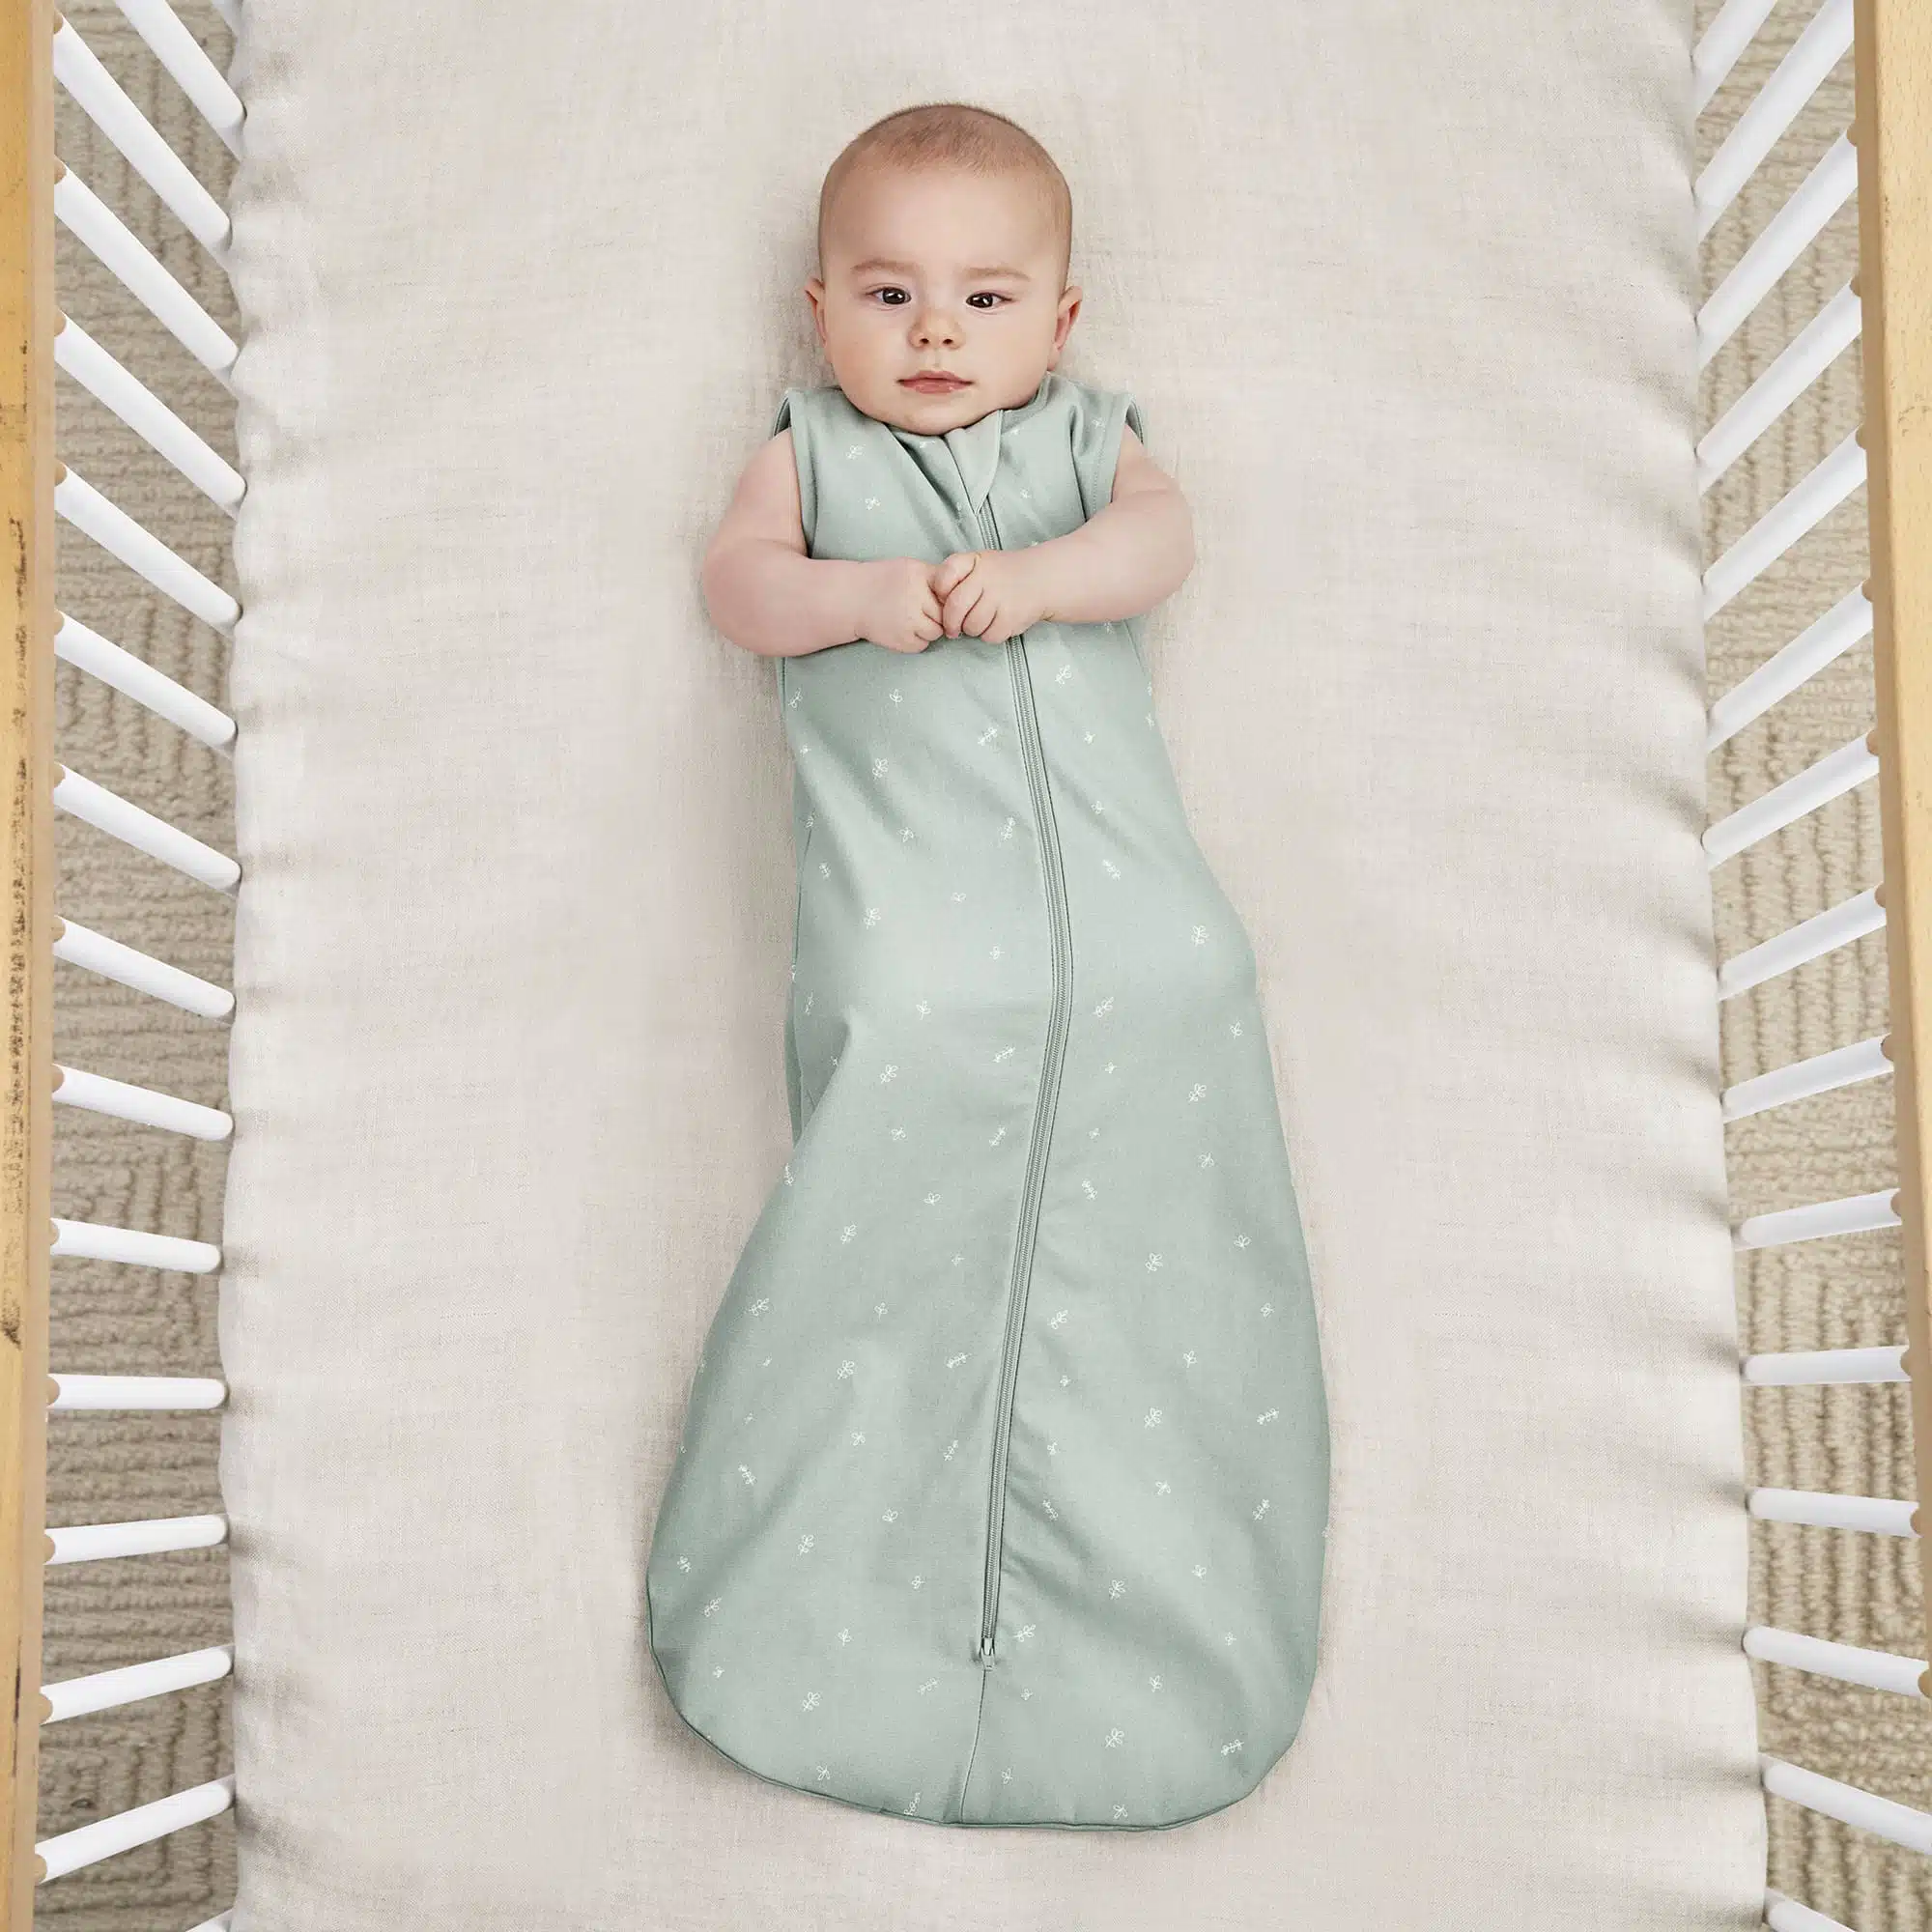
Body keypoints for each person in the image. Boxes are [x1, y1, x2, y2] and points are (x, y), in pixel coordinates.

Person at [645, 100, 1329, 1833]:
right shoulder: (808, 459)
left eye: (986, 297)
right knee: (904, 1066)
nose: (936, 331)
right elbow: (736, 587)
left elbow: (1164, 544)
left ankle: (1139, 1600)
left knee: (1190, 1029)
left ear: (1062, 320)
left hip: (1139, 923)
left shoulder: (1095, 442)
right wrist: (851, 600)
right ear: (820, 313)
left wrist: (1045, 578)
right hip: (922, 927)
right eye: (889, 295)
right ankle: (849, 1596)